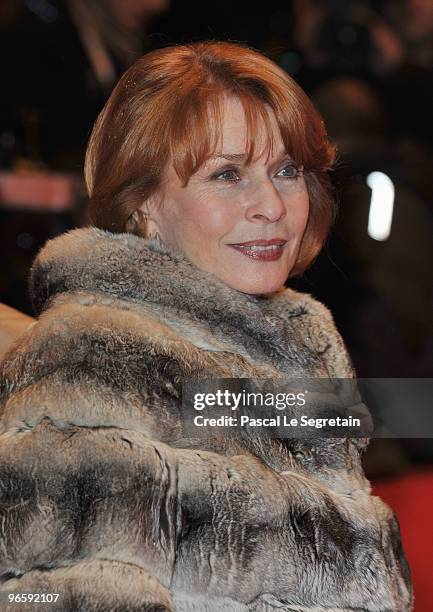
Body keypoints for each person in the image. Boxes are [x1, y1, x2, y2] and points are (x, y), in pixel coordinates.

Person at [0, 42, 412, 611]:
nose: (271, 203)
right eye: (227, 175)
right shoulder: (95, 364)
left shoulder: (298, 342)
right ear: (144, 203)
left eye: (286, 170)